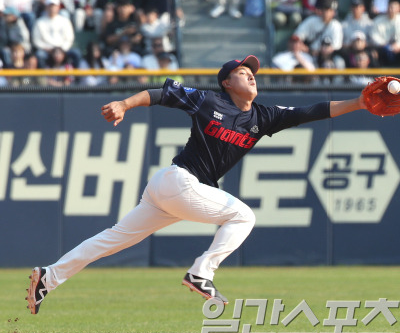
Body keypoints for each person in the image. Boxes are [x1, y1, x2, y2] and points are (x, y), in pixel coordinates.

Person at [26, 54, 373, 314]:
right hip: (178, 182)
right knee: (243, 217)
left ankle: (48, 277)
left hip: (175, 189)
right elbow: (161, 93)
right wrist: (124, 104)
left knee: (111, 240)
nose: (250, 76)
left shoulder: (263, 117)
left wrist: (359, 103)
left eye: (252, 73)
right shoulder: (209, 101)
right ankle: (200, 273)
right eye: (242, 72)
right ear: (226, 82)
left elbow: (312, 111)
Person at [31, 0, 80, 68]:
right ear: (46, 7)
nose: (52, 8)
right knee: (39, 55)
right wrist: (49, 49)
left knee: (76, 53)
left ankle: (76, 77)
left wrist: (61, 50)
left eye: (54, 6)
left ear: (58, 7)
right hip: (47, 50)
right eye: (50, 6)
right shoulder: (39, 22)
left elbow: (69, 38)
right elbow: (36, 40)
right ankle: (43, 78)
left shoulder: (65, 21)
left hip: (63, 49)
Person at [370, 0, 400, 67]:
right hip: (383, 48)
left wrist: (399, 45)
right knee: (374, 52)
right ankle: (377, 76)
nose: (391, 10)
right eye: (390, 7)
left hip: (399, 49)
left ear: (399, 9)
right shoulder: (378, 20)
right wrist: (383, 44)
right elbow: (374, 35)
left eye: (393, 8)